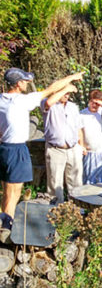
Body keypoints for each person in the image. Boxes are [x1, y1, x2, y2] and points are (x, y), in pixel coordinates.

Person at [0, 68, 84, 219]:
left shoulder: (2, 100)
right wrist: (71, 78)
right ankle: (7, 224)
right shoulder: (21, 101)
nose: (27, 84)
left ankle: (5, 221)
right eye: (25, 81)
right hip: (16, 148)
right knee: (14, 191)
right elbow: (51, 90)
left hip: (4, 147)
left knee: (7, 189)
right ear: (18, 84)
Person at [42, 83, 86, 204]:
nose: (66, 95)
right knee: (55, 183)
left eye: (68, 93)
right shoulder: (48, 104)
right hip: (55, 149)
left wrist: (81, 145)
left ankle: (77, 210)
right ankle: (55, 212)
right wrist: (65, 88)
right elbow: (48, 103)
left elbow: (78, 127)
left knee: (76, 182)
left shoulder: (73, 107)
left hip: (73, 148)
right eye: (63, 92)